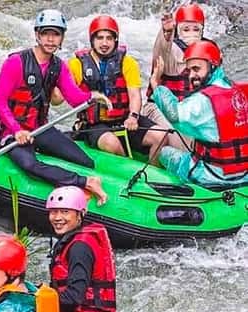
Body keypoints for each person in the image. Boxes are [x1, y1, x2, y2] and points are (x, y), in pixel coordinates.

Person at [0, 9, 109, 204]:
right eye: (46, 33)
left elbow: (74, 98)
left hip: (39, 128)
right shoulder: (15, 63)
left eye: (56, 34)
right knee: (30, 165)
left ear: (62, 38)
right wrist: (17, 130)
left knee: (83, 161)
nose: (50, 39)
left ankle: (85, 174)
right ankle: (85, 182)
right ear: (37, 35)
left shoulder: (58, 66)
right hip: (11, 132)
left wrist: (94, 96)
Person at [149, 40, 248, 189]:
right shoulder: (237, 90)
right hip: (244, 174)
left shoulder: (203, 100)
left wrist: (156, 85)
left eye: (196, 69)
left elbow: (174, 114)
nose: (191, 76)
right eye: (189, 71)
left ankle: (155, 186)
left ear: (213, 66)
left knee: (164, 152)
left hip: (213, 176)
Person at [69, 15, 167, 161]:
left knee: (161, 135)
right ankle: (128, 170)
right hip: (94, 124)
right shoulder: (76, 64)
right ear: (92, 40)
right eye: (100, 38)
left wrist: (133, 116)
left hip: (124, 119)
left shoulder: (128, 63)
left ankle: (152, 172)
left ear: (115, 40)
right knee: (112, 144)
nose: (104, 43)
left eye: (109, 38)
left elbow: (134, 95)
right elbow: (67, 95)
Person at [45, 187, 117, 312]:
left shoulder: (80, 248)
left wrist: (38, 301)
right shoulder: (73, 240)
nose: (57, 217)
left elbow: (74, 297)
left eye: (65, 212)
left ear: (80, 214)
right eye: (53, 212)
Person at [144, 4, 207, 152]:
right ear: (178, 30)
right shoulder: (170, 49)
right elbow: (162, 49)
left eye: (195, 29)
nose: (191, 34)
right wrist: (167, 33)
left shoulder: (208, 50)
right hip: (160, 107)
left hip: (189, 110)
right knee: (185, 143)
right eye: (186, 29)